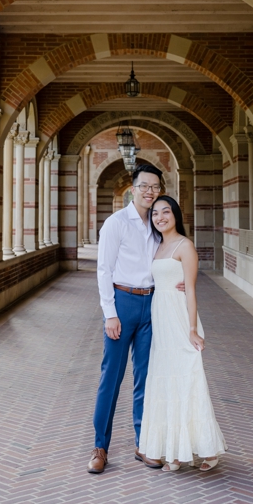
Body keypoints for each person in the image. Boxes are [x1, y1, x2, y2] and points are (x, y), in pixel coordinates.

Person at [137, 194, 226, 474]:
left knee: (187, 381)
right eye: (154, 213)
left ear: (175, 215)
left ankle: (208, 450)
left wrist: (191, 329)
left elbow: (190, 290)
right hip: (160, 321)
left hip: (179, 319)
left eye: (165, 212)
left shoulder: (184, 246)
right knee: (166, 382)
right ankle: (175, 452)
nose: (160, 217)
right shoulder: (157, 246)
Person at [89, 161, 164, 475]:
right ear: (133, 188)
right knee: (112, 378)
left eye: (156, 187)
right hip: (123, 303)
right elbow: (104, 270)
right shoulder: (116, 223)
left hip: (153, 305)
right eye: (145, 186)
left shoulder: (159, 225)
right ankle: (99, 446)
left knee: (146, 379)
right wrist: (110, 314)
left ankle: (142, 443)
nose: (150, 192)